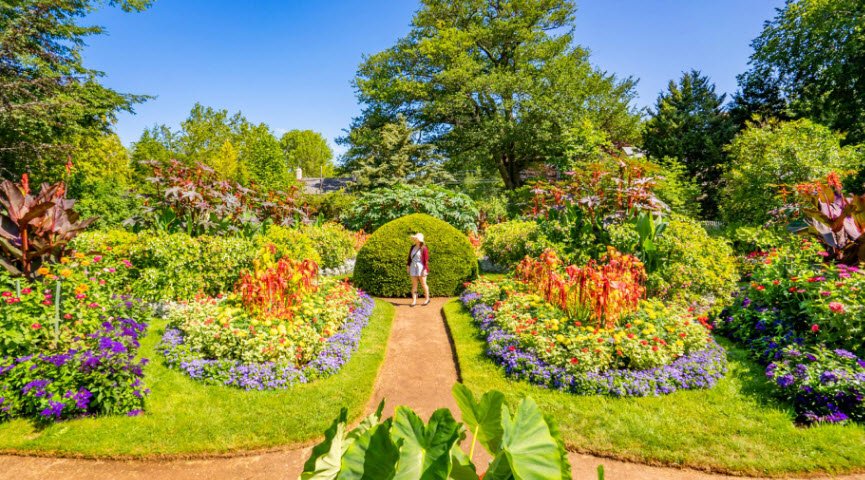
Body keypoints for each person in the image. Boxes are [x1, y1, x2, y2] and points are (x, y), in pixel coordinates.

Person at [406, 232, 430, 307]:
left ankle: (427, 299)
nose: (414, 239)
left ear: (419, 240)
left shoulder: (424, 248)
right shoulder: (412, 247)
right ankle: (414, 301)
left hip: (421, 267)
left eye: (416, 238)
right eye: (415, 238)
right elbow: (409, 258)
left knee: (423, 284)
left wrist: (425, 269)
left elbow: (426, 260)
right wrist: (408, 266)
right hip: (413, 266)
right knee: (414, 285)